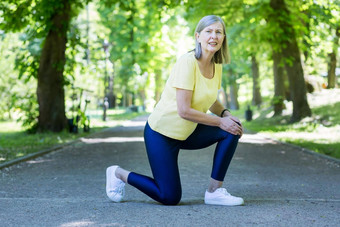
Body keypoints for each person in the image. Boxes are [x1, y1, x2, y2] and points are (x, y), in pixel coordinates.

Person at [106, 15, 244, 206]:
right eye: (209, 31)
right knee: (169, 197)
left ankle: (214, 192)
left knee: (232, 129)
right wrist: (220, 122)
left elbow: (210, 99)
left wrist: (226, 115)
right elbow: (184, 111)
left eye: (219, 32)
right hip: (161, 133)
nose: (214, 36)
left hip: (188, 132)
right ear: (198, 36)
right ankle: (118, 173)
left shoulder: (216, 65)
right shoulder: (187, 62)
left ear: (223, 38)